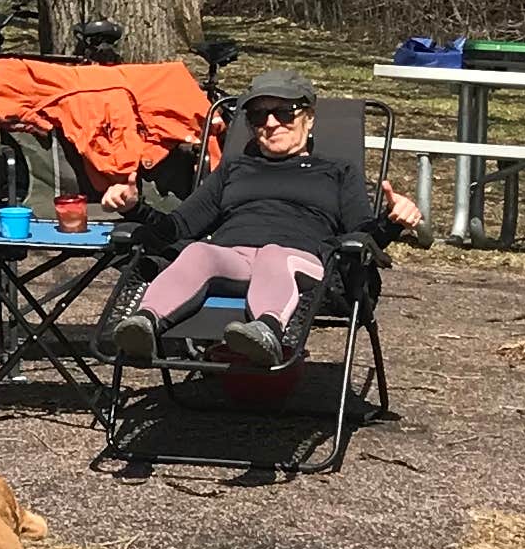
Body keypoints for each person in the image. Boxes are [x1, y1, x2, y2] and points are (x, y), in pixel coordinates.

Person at [100, 68, 415, 369]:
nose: (271, 122)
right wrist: (133, 208)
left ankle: (266, 332)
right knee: (199, 251)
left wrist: (391, 222)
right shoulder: (236, 168)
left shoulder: (337, 172)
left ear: (309, 118)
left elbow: (361, 236)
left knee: (273, 254)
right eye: (258, 115)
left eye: (284, 112)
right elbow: (180, 226)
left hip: (303, 262)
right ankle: (143, 325)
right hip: (234, 260)